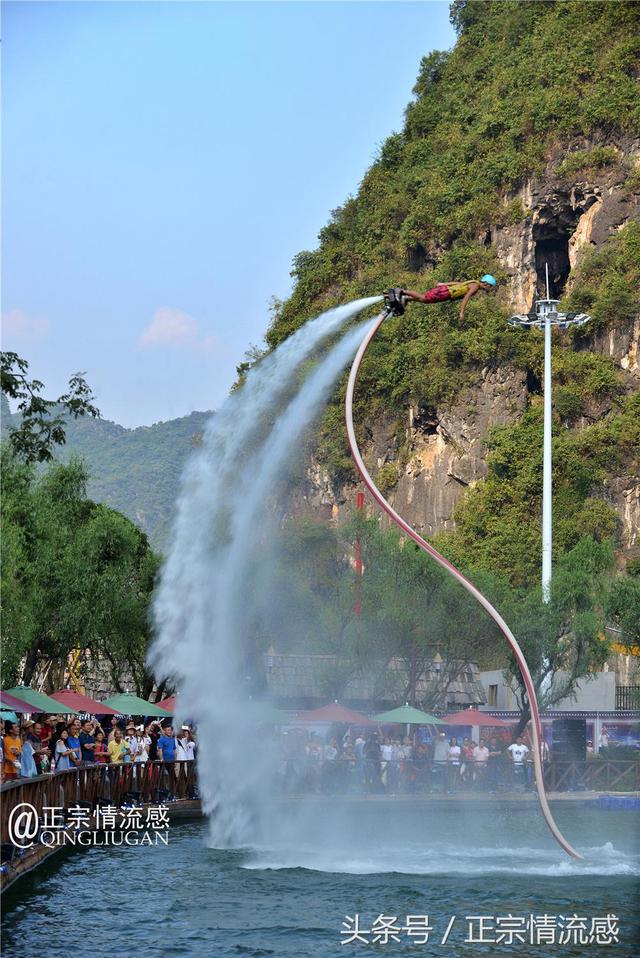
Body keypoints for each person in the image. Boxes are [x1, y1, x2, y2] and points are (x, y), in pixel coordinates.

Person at [396, 275, 497, 321]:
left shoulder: (473, 283)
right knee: (424, 297)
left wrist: (444, 284)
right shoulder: (475, 286)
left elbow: (458, 283)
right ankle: (403, 291)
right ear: (486, 283)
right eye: (489, 286)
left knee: (426, 300)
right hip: (446, 292)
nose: (488, 289)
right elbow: (466, 297)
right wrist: (462, 312)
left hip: (446, 292)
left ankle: (407, 298)